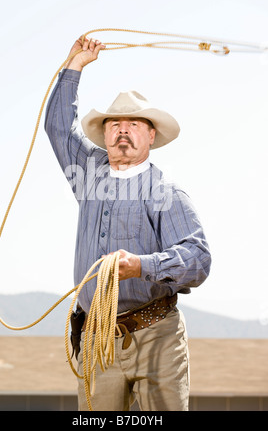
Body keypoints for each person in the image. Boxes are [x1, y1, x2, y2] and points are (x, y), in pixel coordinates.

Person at [45, 35, 211, 411]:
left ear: (150, 135)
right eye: (114, 123)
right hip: (97, 336)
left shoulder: (166, 192)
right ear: (104, 135)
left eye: (133, 123)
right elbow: (58, 129)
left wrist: (141, 265)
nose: (122, 130)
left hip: (156, 336)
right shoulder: (88, 174)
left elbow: (198, 259)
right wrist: (74, 66)